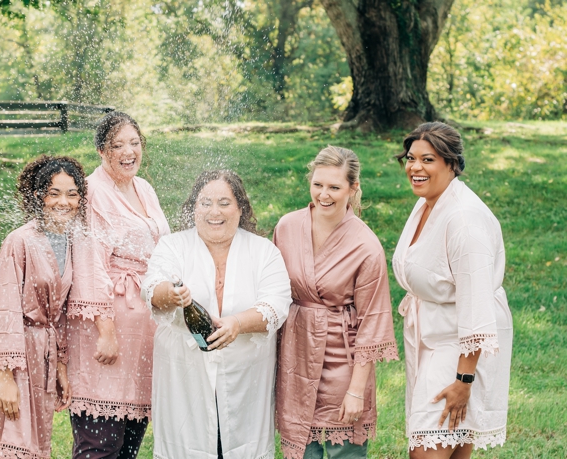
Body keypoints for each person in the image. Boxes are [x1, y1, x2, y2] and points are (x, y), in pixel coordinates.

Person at [142, 169, 292, 459]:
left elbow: (277, 303)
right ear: (193, 208)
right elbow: (150, 289)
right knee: (187, 445)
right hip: (184, 375)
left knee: (240, 446)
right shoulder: (173, 246)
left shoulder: (263, 251)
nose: (214, 211)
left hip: (246, 376)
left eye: (224, 203)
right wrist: (170, 295)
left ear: (240, 208)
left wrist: (238, 323)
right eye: (205, 202)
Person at [392, 123, 512, 458]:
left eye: (427, 159)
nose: (415, 167)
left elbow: (477, 306)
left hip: (458, 348)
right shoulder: (429, 202)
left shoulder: (465, 220)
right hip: (433, 339)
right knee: (450, 448)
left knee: (426, 449)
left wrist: (464, 381)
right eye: (411, 158)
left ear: (451, 164)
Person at [273, 146, 398, 459]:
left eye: (334, 187)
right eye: (318, 185)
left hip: (344, 361)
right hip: (296, 354)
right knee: (301, 450)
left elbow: (372, 324)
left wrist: (357, 390)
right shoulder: (287, 227)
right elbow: (270, 291)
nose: (323, 195)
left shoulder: (366, 246)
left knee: (346, 453)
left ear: (353, 188)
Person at [65, 112, 169, 458]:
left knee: (128, 444)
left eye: (135, 143)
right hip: (105, 331)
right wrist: (106, 330)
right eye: (118, 145)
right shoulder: (92, 191)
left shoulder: (145, 188)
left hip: (142, 333)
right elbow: (88, 264)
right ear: (101, 151)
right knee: (100, 445)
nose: (129, 152)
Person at [0, 155, 87, 459]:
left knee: (35, 447)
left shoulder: (72, 242)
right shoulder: (19, 241)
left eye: (72, 194)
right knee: (12, 448)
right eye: (55, 193)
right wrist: (6, 377)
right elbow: (3, 308)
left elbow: (59, 314)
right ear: (39, 197)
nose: (64, 202)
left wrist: (61, 365)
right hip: (11, 358)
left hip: (43, 357)